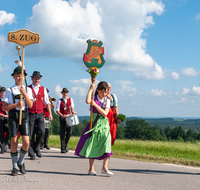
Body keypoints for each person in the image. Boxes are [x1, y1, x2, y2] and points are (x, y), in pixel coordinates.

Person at [74, 81, 113, 176]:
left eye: (105, 92)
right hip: (94, 124)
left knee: (107, 142)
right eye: (101, 92)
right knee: (93, 144)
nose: (103, 94)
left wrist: (95, 105)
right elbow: (87, 101)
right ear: (98, 90)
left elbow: (105, 113)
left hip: (104, 124)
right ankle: (91, 168)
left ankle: (105, 167)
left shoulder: (107, 100)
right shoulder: (93, 98)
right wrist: (91, 88)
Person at [2, 66, 33, 176]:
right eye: (17, 75)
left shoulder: (28, 89)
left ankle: (21, 162)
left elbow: (30, 105)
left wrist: (24, 93)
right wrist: (16, 105)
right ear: (14, 77)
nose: (20, 77)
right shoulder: (9, 90)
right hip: (13, 116)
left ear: (24, 77)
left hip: (24, 116)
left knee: (26, 142)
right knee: (14, 141)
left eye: (21, 75)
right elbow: (4, 107)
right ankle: (14, 167)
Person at [28, 71, 53, 160]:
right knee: (30, 134)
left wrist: (50, 113)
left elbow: (47, 102)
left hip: (40, 114)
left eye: (38, 78)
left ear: (40, 79)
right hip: (30, 114)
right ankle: (31, 152)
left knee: (42, 131)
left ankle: (37, 147)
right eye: (35, 78)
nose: (36, 80)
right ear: (32, 78)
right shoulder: (28, 88)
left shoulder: (43, 89)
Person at [56, 88, 76, 153]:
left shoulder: (71, 99)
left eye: (66, 92)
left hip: (69, 117)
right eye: (64, 92)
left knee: (69, 132)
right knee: (62, 132)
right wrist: (62, 115)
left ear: (68, 93)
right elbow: (57, 110)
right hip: (62, 117)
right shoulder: (59, 100)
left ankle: (65, 144)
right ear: (62, 93)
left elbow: (72, 107)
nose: (65, 94)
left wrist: (73, 112)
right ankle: (63, 148)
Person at [0, 87, 9, 154]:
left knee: (9, 132)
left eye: (4, 92)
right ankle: (3, 148)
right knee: (1, 133)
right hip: (1, 118)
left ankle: (4, 144)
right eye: (1, 92)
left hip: (7, 118)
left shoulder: (7, 100)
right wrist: (3, 115)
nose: (3, 94)